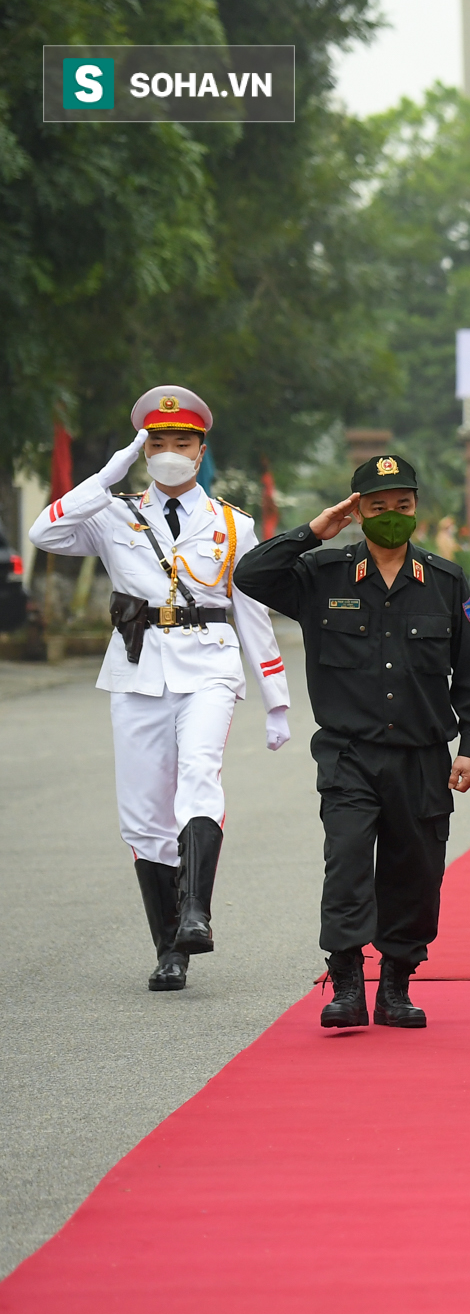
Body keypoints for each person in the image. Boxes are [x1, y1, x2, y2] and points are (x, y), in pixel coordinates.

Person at [28, 386, 292, 992]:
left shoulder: (232, 524)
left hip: (209, 664)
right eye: (158, 444)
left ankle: (197, 910)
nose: (171, 453)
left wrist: (276, 699)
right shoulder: (113, 512)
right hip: (139, 666)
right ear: (143, 451)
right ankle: (169, 944)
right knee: (144, 816)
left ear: (201, 450)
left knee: (199, 773)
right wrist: (105, 475)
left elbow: (251, 612)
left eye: (183, 442)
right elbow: (46, 533)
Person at [233, 454, 470, 1030]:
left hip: (423, 758)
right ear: (358, 511)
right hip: (349, 754)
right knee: (347, 862)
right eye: (378, 507)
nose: (392, 516)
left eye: (403, 506)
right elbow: (249, 576)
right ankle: (347, 981)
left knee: (415, 872)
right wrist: (312, 532)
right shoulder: (321, 575)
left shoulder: (445, 582)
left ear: (417, 508)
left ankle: (396, 984)